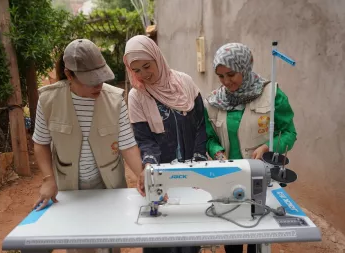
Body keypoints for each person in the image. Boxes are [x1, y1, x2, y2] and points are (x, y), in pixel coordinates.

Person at [32, 39, 144, 253]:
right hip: (69, 190)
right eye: (90, 80)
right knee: (77, 246)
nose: (98, 85)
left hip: (108, 187)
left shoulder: (114, 99)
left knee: (110, 244)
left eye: (101, 78)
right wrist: (48, 179)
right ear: (69, 74)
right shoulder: (49, 100)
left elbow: (127, 145)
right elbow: (41, 143)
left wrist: (142, 175)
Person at [204, 43, 297, 253]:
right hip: (229, 178)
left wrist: (267, 147)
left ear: (245, 67)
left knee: (259, 236)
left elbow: (289, 133)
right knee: (233, 236)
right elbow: (209, 137)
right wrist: (217, 150)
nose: (227, 82)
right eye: (220, 76)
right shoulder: (213, 101)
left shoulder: (272, 94)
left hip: (261, 178)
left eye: (231, 74)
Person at [123, 35, 207, 253]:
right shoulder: (137, 96)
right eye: (137, 70)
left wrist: (197, 162)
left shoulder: (185, 83)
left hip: (191, 174)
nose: (143, 74)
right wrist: (149, 167)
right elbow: (144, 139)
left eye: (147, 66)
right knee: (159, 237)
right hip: (162, 175)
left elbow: (200, 126)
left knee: (189, 236)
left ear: (157, 58)